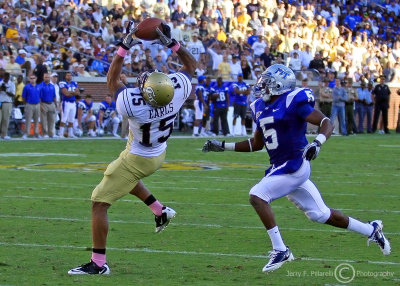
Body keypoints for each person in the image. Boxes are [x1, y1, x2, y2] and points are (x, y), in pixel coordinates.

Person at [202, 64, 391, 273]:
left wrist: (317, 142)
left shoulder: (293, 101)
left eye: (267, 82)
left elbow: (326, 122)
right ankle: (371, 230)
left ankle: (280, 249)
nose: (262, 85)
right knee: (320, 214)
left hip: (295, 163)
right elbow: (256, 144)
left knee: (257, 195)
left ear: (279, 85)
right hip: (280, 165)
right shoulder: (258, 106)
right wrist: (223, 146)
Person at [68, 20, 196, 275]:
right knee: (126, 179)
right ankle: (160, 211)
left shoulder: (132, 103)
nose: (145, 77)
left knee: (98, 203)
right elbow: (191, 66)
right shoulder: (178, 91)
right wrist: (172, 44)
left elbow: (112, 80)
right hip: (156, 152)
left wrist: (124, 47)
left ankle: (98, 263)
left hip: (138, 155)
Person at [58, 72, 80, 138]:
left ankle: (70, 134)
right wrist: (74, 93)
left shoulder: (74, 83)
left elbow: (78, 93)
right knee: (64, 119)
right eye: (68, 75)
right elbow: (66, 94)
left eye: (70, 75)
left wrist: (70, 93)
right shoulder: (63, 83)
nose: (69, 76)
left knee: (71, 119)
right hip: (66, 102)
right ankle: (61, 134)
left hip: (73, 103)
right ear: (65, 76)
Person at [39, 73, 57, 138]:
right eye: (45, 77)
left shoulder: (52, 86)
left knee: (52, 120)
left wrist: (55, 104)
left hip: (51, 103)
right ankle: (45, 133)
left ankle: (51, 133)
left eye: (48, 77)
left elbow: (54, 96)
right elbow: (39, 97)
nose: (47, 78)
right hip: (44, 103)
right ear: (43, 78)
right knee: (43, 120)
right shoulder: (40, 86)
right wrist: (40, 105)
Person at [0, 72, 15, 140]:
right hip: (0, 102)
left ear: (9, 78)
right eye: (5, 78)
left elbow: (13, 94)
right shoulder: (0, 83)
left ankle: (4, 134)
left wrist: (5, 90)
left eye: (7, 78)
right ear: (3, 77)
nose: (6, 79)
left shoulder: (11, 84)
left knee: (6, 119)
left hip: (7, 102)